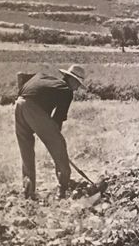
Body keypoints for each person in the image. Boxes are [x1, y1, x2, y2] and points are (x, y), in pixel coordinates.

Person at [14, 64, 86, 200]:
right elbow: (57, 120)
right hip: (33, 108)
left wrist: (42, 129)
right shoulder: (66, 90)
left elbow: (22, 81)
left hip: (19, 104)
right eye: (77, 84)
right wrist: (54, 142)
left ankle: (28, 191)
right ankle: (62, 189)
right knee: (59, 145)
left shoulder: (43, 78)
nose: (77, 88)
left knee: (26, 150)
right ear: (72, 80)